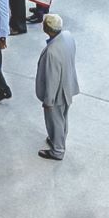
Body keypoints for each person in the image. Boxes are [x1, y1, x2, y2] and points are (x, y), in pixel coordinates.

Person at [34, 13, 80, 161]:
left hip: (58, 93)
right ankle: (57, 140)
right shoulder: (67, 36)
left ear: (47, 28)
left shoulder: (52, 52)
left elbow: (52, 79)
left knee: (56, 121)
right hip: (68, 85)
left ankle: (57, 150)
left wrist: (48, 101)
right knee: (62, 117)